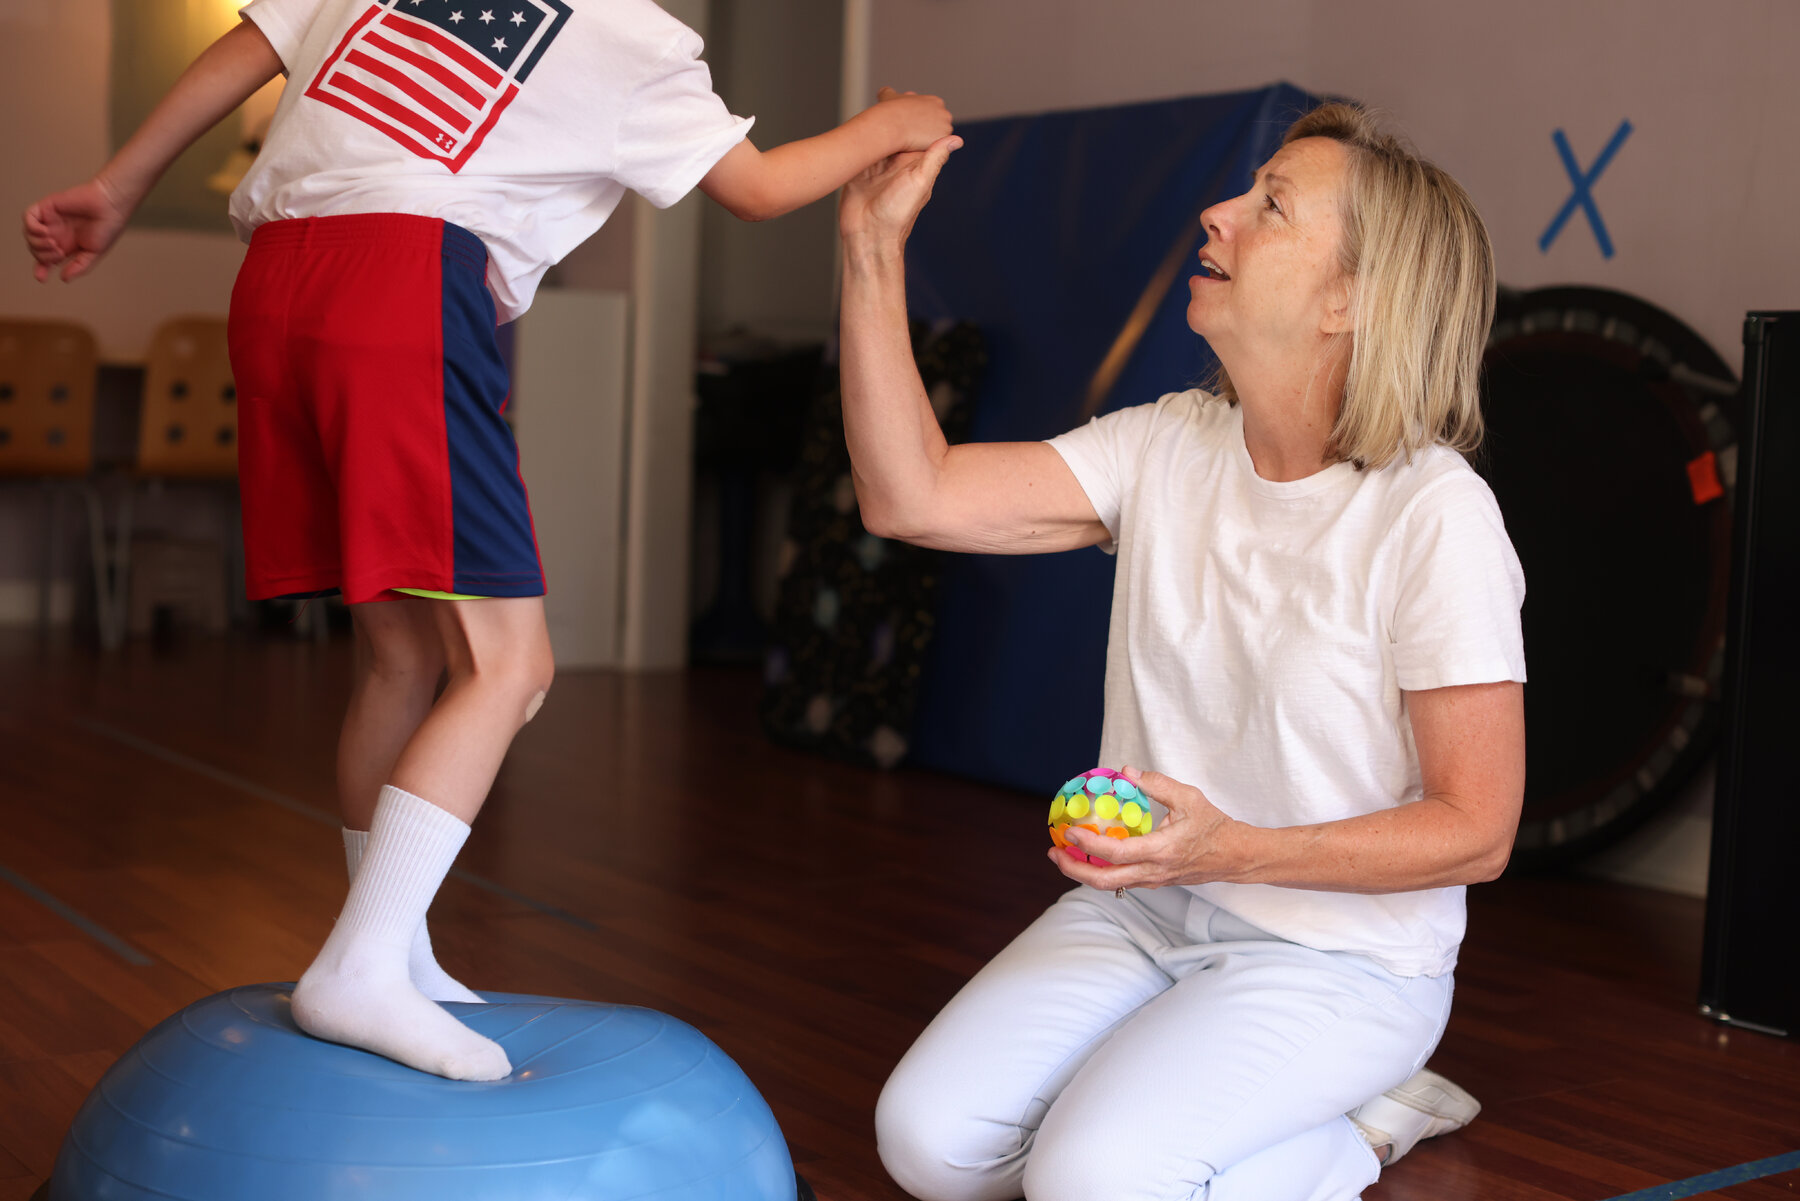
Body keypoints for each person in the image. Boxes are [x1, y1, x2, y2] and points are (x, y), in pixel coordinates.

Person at [24, 0, 952, 1083]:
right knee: (512, 663)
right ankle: (363, 968)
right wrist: (899, 122)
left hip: (275, 286)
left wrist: (117, 188)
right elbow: (758, 188)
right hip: (402, 283)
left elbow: (250, 50)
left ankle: (397, 952)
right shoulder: (631, 33)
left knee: (405, 656)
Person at [839, 103, 1525, 1200]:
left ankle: (1371, 1128)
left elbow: (1478, 830)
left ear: (1349, 299)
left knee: (1094, 1179)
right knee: (929, 1143)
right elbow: (907, 493)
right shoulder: (1163, 445)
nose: (1216, 212)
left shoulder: (1434, 514)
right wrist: (871, 248)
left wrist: (1226, 848)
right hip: (1144, 912)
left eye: (1271, 207)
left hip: (1342, 963)